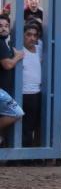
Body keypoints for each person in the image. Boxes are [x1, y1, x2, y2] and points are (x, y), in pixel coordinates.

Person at [0, 14, 25, 146]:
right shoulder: (1, 43)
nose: (4, 29)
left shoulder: (6, 43)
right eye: (0, 26)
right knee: (16, 113)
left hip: (4, 91)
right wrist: (18, 56)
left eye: (6, 26)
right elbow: (7, 65)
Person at [18, 23, 42, 147]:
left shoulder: (40, 48)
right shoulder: (19, 50)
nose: (32, 38)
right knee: (19, 126)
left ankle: (29, 155)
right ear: (22, 36)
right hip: (21, 93)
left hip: (36, 94)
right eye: (28, 35)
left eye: (35, 35)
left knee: (32, 125)